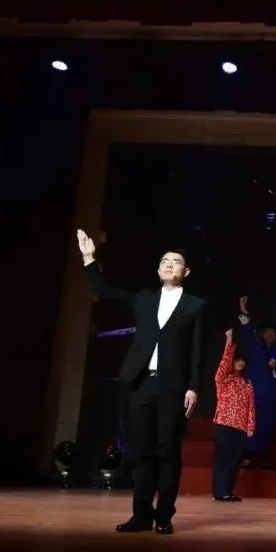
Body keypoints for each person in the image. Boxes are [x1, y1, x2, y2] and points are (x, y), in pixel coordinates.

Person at [76, 229, 205, 535]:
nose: (169, 264)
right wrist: (89, 257)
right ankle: (141, 516)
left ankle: (164, 516)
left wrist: (193, 387)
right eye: (165, 261)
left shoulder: (195, 306)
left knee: (168, 452)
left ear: (186, 272)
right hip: (142, 384)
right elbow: (103, 289)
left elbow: (198, 350)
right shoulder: (144, 300)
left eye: (176, 262)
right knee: (144, 452)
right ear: (158, 270)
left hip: (174, 388)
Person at [237, 295, 276, 468]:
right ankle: (247, 455)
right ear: (262, 334)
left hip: (269, 396)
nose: (270, 335)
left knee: (267, 425)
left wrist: (275, 366)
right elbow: (247, 332)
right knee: (250, 424)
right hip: (252, 394)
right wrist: (243, 310)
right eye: (267, 332)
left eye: (273, 332)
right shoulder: (255, 349)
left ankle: (264, 456)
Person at [212, 328, 255, 501]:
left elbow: (251, 406)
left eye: (242, 361)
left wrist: (250, 426)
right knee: (223, 458)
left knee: (235, 460)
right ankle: (220, 491)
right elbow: (225, 362)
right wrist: (229, 342)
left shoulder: (247, 383)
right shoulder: (223, 378)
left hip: (240, 426)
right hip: (223, 423)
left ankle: (228, 490)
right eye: (238, 360)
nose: (240, 363)